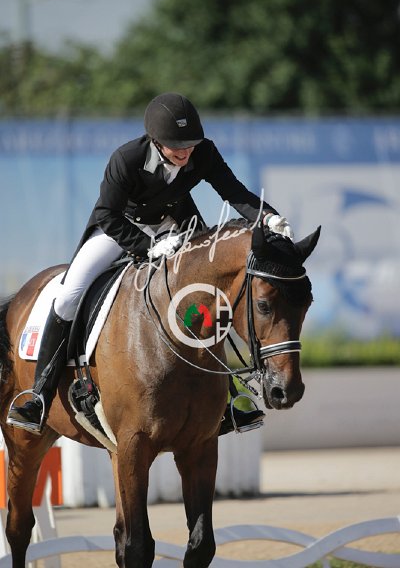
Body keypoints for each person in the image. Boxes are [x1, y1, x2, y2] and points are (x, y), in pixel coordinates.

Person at [7, 92, 293, 436]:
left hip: (175, 224)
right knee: (68, 295)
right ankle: (38, 395)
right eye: (177, 146)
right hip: (120, 229)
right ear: (156, 141)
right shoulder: (126, 159)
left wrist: (268, 217)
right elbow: (107, 215)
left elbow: (234, 192)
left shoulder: (203, 152)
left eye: (190, 144)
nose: (185, 153)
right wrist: (149, 246)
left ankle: (229, 398)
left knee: (205, 296)